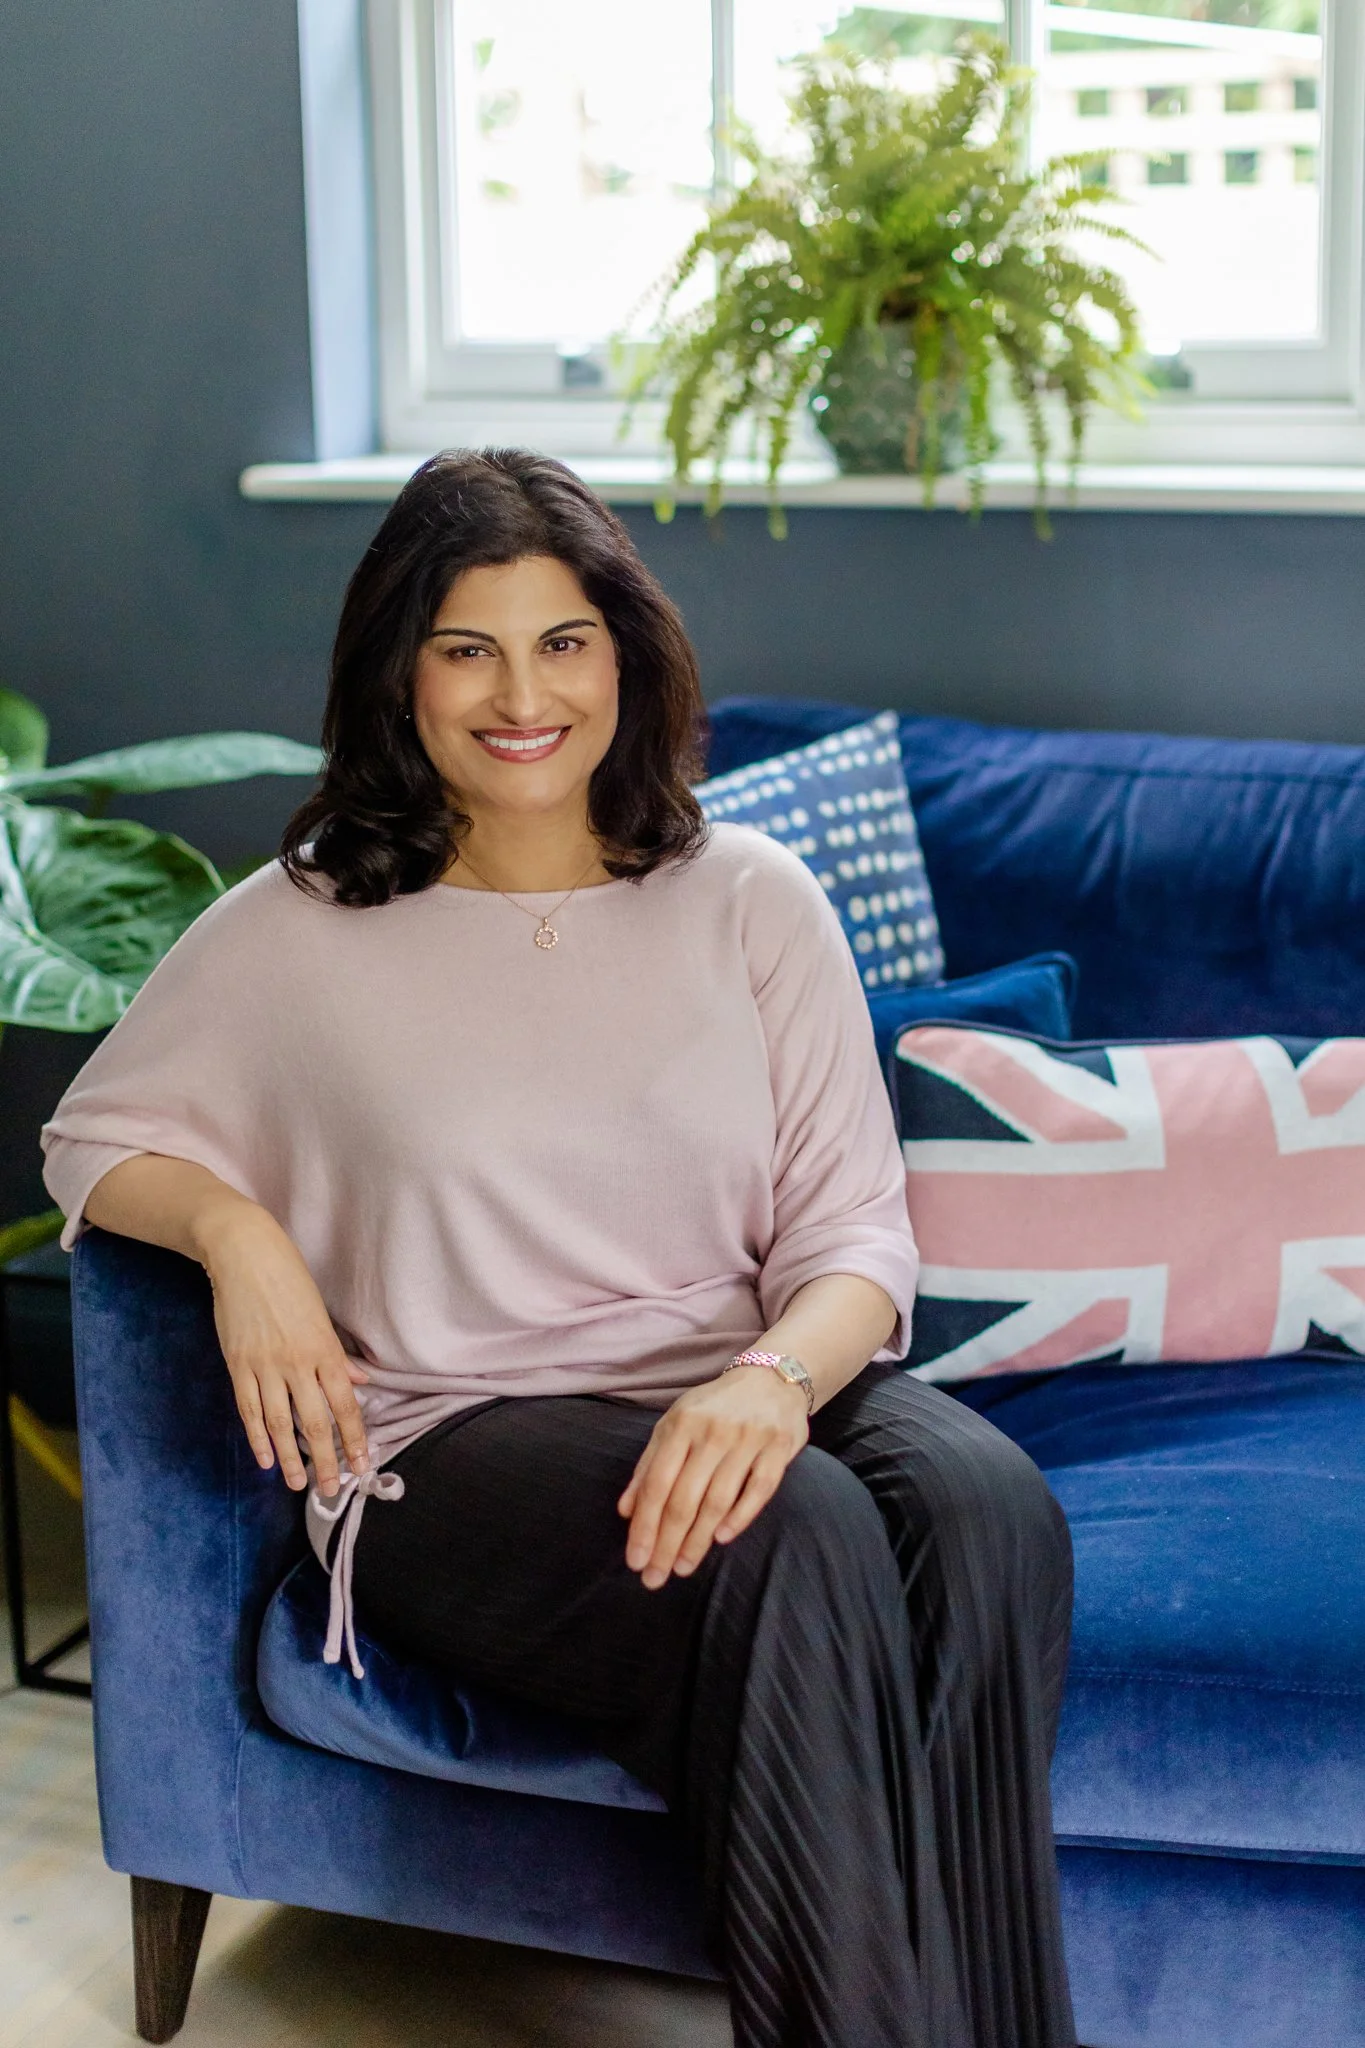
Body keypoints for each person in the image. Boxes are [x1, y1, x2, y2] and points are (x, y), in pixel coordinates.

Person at [40, 447, 1076, 2048]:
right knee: (788, 1536)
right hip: (453, 1440)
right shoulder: (297, 926)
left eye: (563, 641)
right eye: (468, 647)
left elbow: (858, 1235)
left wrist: (765, 1382)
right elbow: (92, 1139)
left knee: (984, 1508)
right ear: (401, 675)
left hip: (735, 1364)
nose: (521, 693)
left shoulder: (753, 899)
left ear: (625, 657)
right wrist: (236, 1232)